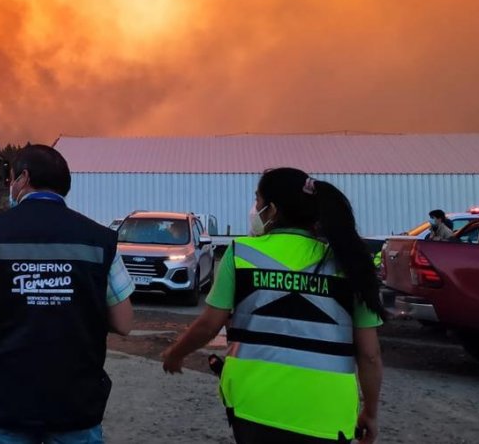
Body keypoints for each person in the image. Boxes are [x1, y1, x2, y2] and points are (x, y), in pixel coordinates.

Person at [161, 168, 385, 444]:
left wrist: (175, 353)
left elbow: (209, 324)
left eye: (257, 201)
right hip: (328, 411)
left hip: (254, 404)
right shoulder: (350, 263)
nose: (254, 209)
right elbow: (370, 354)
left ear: (273, 210)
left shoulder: (242, 253)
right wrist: (370, 413)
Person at [0, 144, 134, 444]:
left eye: (12, 178)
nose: (11, 185)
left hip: (7, 397)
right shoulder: (100, 239)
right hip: (75, 400)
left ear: (23, 179)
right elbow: (124, 323)